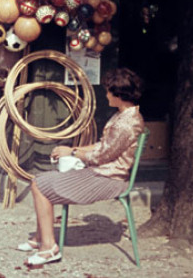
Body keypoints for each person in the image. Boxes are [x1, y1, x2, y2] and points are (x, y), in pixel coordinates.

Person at [19, 68, 145, 266]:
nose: (106, 95)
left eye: (109, 91)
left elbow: (102, 155)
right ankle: (40, 238)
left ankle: (49, 248)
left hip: (109, 179)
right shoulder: (123, 116)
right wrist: (74, 149)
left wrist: (72, 153)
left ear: (119, 95)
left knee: (39, 186)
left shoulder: (127, 123)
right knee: (40, 181)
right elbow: (103, 145)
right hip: (101, 173)